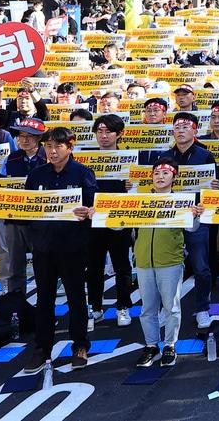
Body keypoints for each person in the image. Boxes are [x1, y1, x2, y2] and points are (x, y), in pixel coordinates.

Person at [23, 127, 98, 373]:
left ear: (70, 147)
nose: (52, 151)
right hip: (43, 247)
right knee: (44, 299)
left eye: (58, 146)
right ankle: (42, 348)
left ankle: (80, 346)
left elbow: (92, 206)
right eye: (48, 146)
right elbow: (26, 208)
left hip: (73, 247)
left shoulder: (82, 173)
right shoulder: (36, 175)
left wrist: (89, 212)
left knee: (76, 297)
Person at [133, 159, 198, 369]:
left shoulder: (181, 201)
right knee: (147, 308)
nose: (160, 177)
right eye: (156, 173)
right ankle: (151, 345)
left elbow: (192, 229)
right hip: (144, 261)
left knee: (171, 306)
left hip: (170, 260)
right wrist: (101, 215)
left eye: (165, 173)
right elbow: (118, 227)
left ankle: (170, 344)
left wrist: (195, 215)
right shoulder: (139, 201)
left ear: (174, 177)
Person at [155, 111, 216, 331]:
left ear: (195, 131)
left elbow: (212, 187)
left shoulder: (205, 155)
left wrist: (214, 189)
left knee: (201, 266)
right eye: (177, 127)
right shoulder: (164, 156)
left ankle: (202, 308)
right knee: (166, 267)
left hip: (195, 216)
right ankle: (165, 308)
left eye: (185, 127)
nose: (181, 131)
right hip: (169, 217)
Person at [85, 113, 134, 329]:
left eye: (109, 131)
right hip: (93, 220)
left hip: (119, 219)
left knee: (121, 265)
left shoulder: (129, 159)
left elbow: (139, 190)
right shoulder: (85, 159)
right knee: (93, 266)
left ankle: (123, 306)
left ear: (119, 134)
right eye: (100, 131)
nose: (103, 136)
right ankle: (95, 307)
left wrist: (131, 187)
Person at [0, 118, 48, 297]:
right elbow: (2, 185)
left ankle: (44, 305)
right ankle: (16, 306)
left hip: (42, 220)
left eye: (30, 136)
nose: (24, 140)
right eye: (21, 135)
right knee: (15, 267)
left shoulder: (49, 156)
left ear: (39, 138)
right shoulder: (12, 158)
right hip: (15, 219)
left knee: (44, 266)